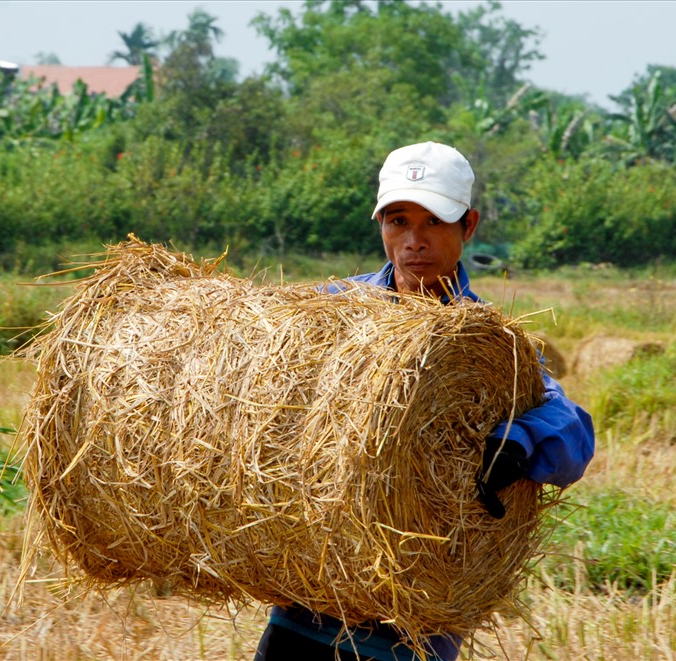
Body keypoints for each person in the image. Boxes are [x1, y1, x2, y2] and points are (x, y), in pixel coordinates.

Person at [254, 141, 595, 661]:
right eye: (397, 222)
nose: (414, 242)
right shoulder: (332, 313)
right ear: (381, 226)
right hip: (308, 605)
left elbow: (572, 428)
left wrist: (520, 439)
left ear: (469, 226)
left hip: (416, 627)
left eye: (434, 222)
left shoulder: (495, 344)